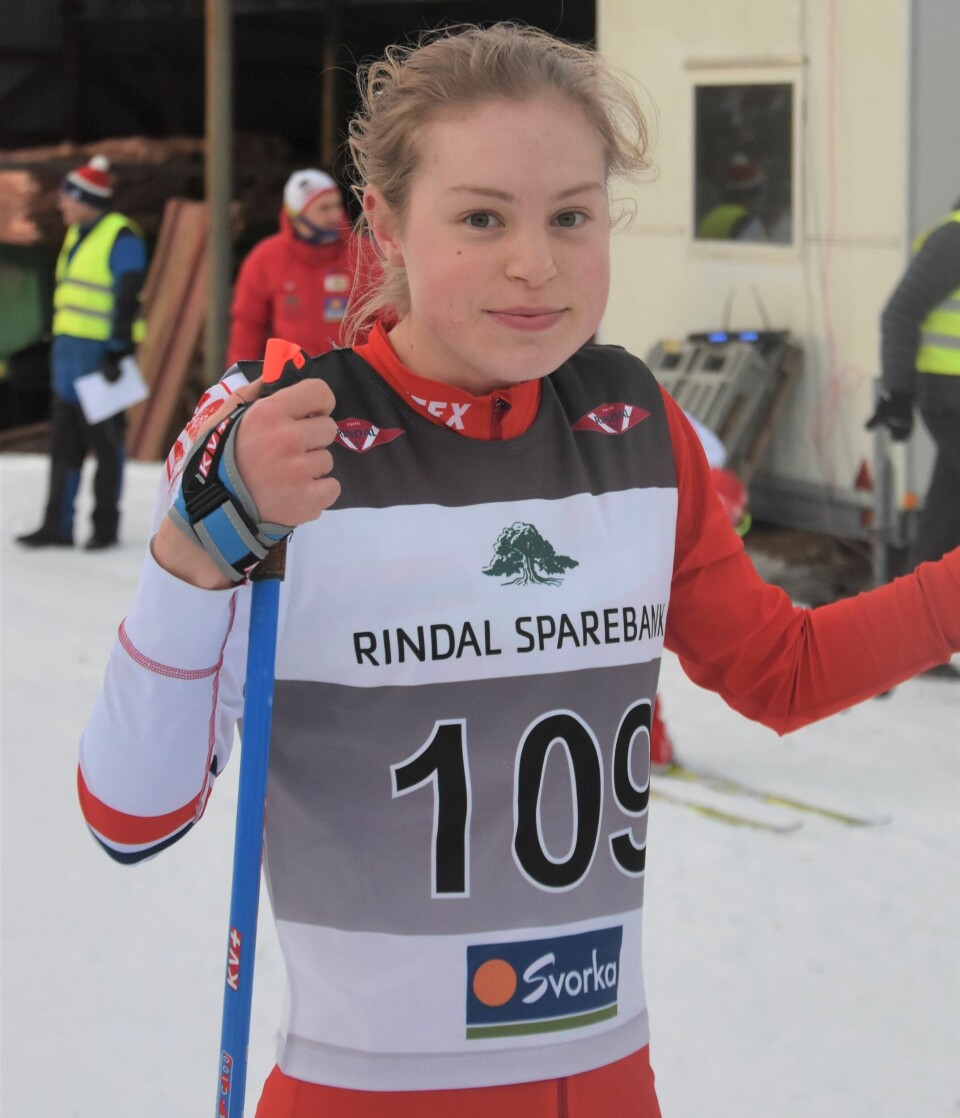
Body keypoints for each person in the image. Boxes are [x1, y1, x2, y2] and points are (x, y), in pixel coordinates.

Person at [77, 24, 960, 1118]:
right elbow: (130, 811)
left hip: (607, 1083)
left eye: (571, 217)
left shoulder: (635, 424)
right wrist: (199, 547)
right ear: (389, 227)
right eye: (482, 217)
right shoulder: (288, 433)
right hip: (368, 1092)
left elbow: (781, 669)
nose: (534, 263)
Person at [16, 155, 147, 550]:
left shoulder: (121, 236)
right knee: (63, 445)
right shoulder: (77, 234)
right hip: (68, 357)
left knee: (106, 446)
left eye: (67, 198)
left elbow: (126, 297)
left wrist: (118, 351)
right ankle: (57, 524)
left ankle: (104, 526)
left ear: (87, 199)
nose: (60, 205)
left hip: (98, 360)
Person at [867, 194, 960, 569]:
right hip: (949, 393)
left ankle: (917, 611)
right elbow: (900, 311)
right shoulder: (954, 239)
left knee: (947, 509)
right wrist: (899, 392)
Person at [226, 168, 375, 365]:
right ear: (296, 215)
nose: (335, 215)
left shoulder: (365, 253)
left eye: (336, 205)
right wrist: (240, 380)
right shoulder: (265, 259)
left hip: (354, 377)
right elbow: (247, 327)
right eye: (323, 208)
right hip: (290, 381)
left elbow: (388, 319)